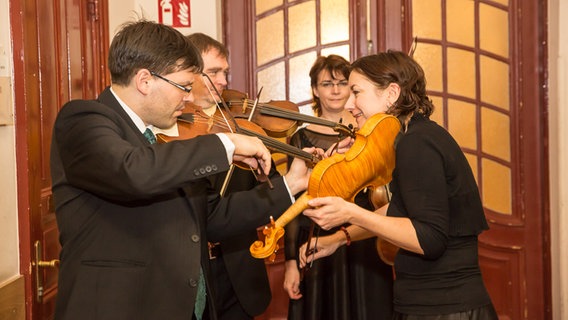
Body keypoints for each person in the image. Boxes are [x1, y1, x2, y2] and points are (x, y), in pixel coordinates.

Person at [50, 20, 312, 320]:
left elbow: (213, 217)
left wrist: (289, 185)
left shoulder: (166, 138)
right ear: (145, 80)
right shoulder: (83, 120)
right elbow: (132, 172)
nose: (189, 98)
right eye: (184, 87)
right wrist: (224, 143)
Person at [299, 51, 498, 320]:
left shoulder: (417, 143)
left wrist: (351, 212)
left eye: (357, 92)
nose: (351, 104)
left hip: (445, 308)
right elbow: (401, 208)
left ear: (391, 93)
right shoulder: (414, 136)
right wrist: (339, 237)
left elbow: (429, 238)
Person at [282, 54, 394, 320]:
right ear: (314, 90)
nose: (335, 90)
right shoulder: (300, 137)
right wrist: (289, 263)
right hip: (316, 237)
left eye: (342, 83)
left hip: (363, 234)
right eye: (326, 84)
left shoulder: (367, 132)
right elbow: (294, 202)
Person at [177, 32, 277, 319]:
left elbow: (262, 188)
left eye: (225, 73)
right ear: (188, 72)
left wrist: (264, 177)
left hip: (237, 272)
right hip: (190, 275)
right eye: (214, 72)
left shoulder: (240, 125)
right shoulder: (168, 129)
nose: (223, 81)